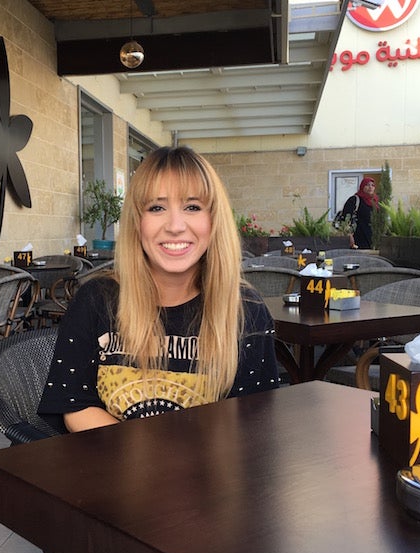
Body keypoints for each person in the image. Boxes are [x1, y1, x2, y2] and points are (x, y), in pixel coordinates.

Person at [37, 146, 281, 433]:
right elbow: (75, 405)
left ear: (213, 220)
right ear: (136, 222)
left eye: (192, 207)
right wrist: (149, 459)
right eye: (156, 207)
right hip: (113, 471)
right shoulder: (96, 299)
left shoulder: (247, 310)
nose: (175, 226)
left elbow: (255, 425)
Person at [340, 177, 378, 249]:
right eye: (367, 185)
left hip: (373, 238)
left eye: (372, 185)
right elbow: (345, 219)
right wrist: (349, 236)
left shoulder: (376, 201)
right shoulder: (354, 200)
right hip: (358, 238)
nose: (370, 187)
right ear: (362, 186)